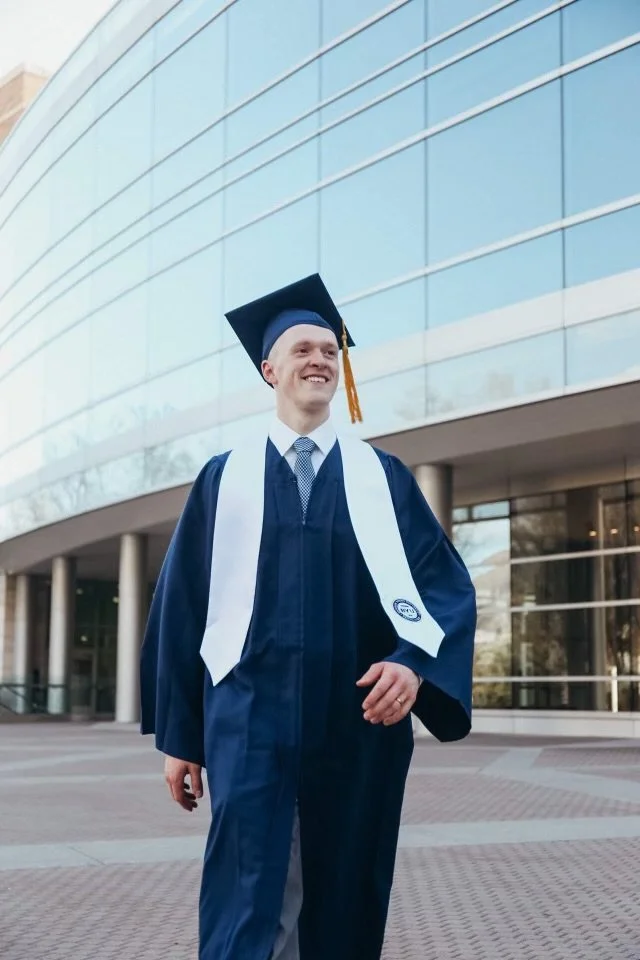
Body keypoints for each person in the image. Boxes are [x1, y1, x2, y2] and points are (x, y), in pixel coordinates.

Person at [140, 273, 476, 960]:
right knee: (245, 895)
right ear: (270, 369)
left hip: (356, 729)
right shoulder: (222, 479)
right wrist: (182, 736)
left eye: (329, 349)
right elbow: (182, 608)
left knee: (343, 891)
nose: (319, 359)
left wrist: (413, 668)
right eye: (302, 349)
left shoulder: (381, 478)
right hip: (247, 726)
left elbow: (443, 589)